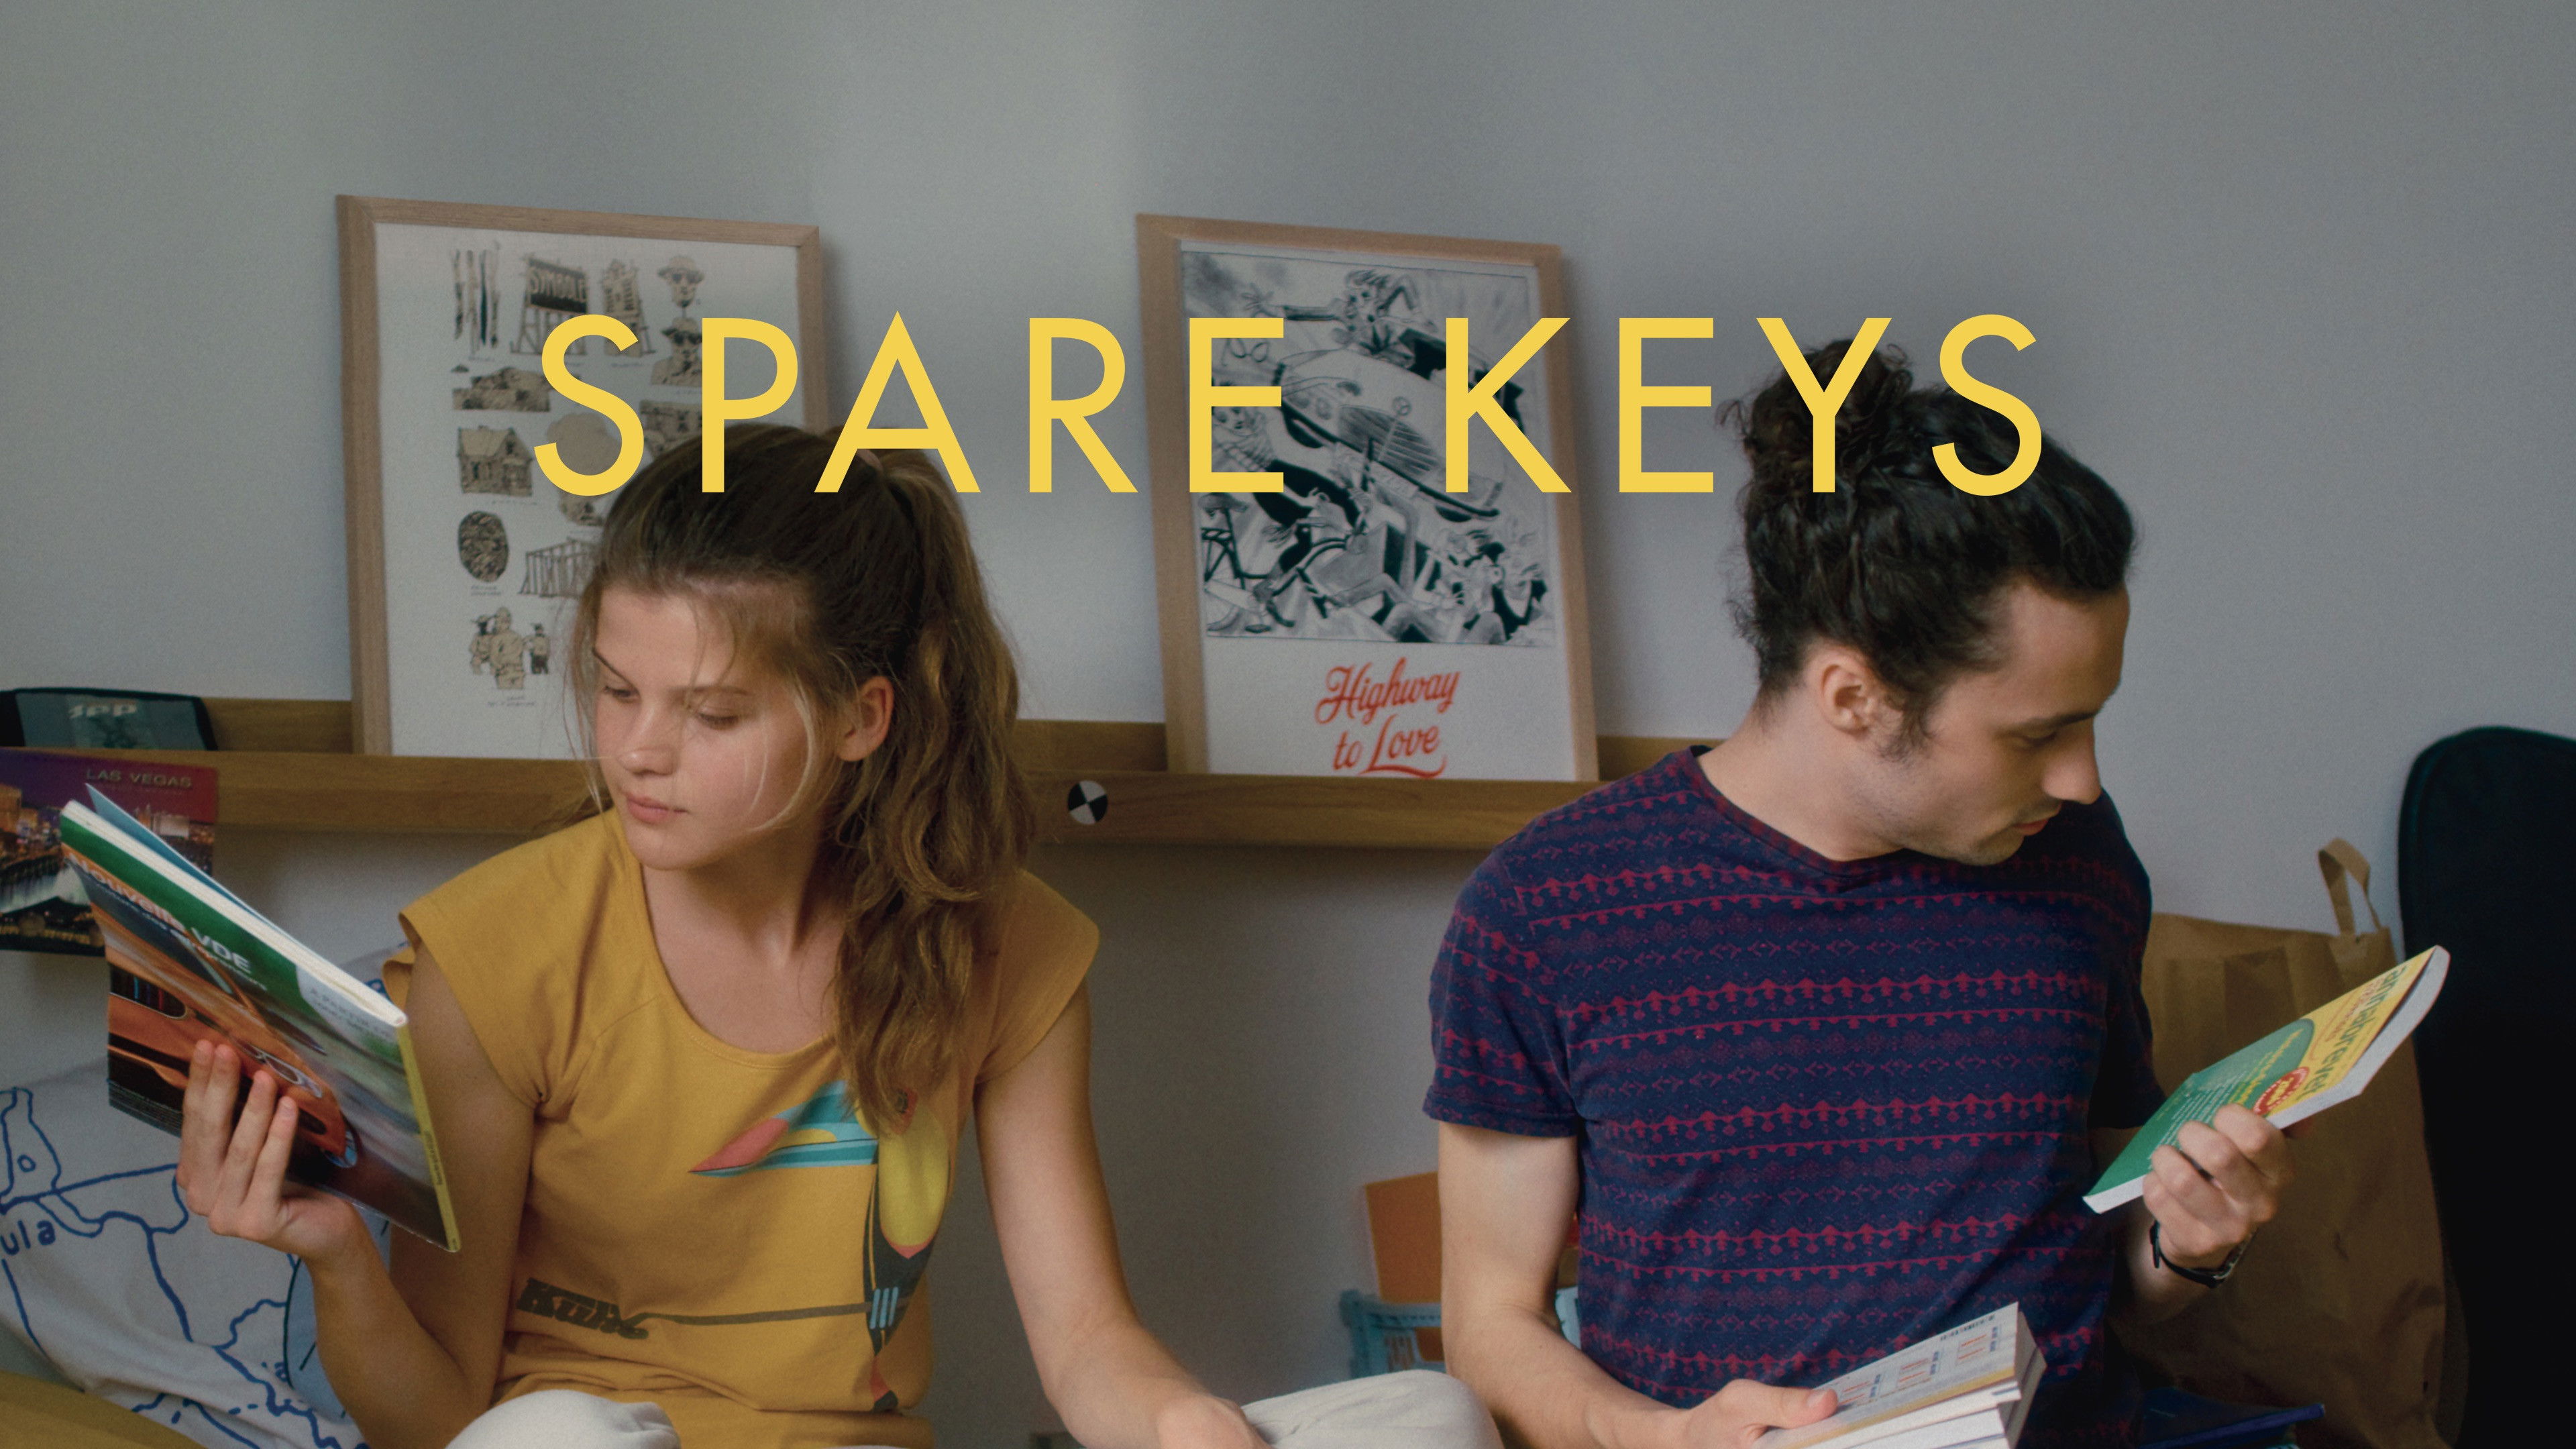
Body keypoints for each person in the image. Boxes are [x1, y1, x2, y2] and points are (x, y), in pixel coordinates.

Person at [180, 427, 1499, 1449]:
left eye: (711, 714)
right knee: (556, 1438)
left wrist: (1182, 1425)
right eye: (618, 690)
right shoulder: (494, 953)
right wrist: (337, 1253)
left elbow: (1088, 1340)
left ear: (862, 718)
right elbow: (439, 1424)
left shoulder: (1008, 949)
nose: (638, 751)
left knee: (1430, 1418)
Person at [1426, 342, 2294, 1449]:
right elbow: (1490, 1327)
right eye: (2037, 735)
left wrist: (2191, 1245)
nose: (2083, 780)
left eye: (2091, 721)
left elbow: (2110, 1271)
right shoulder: (1547, 911)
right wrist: (1665, 1439)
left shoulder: (2080, 860)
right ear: (1853, 696)